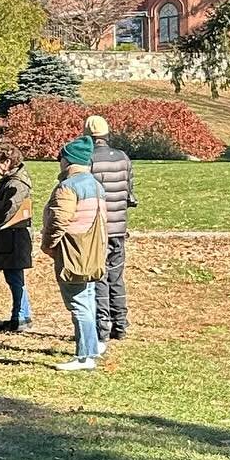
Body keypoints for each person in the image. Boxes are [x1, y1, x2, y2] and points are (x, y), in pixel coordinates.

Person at [40, 136, 109, 371]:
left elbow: (58, 220)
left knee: (78, 303)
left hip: (73, 253)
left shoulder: (68, 187)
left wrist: (48, 245)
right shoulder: (96, 185)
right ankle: (92, 347)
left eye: (61, 157)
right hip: (93, 251)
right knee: (88, 299)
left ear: (68, 160)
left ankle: (84, 356)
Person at [85, 114, 136, 344]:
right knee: (116, 276)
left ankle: (102, 326)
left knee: (99, 277)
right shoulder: (123, 158)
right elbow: (129, 193)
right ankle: (121, 324)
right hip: (119, 227)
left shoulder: (89, 160)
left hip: (99, 228)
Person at [0, 143, 34, 331]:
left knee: (15, 279)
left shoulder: (16, 184)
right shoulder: (11, 180)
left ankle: (21, 317)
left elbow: (8, 211)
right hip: (10, 237)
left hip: (13, 237)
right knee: (14, 278)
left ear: (7, 161)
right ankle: (21, 315)